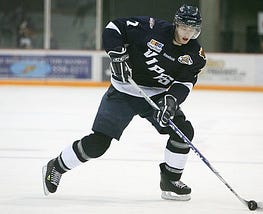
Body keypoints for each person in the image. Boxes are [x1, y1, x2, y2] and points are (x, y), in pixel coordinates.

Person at [42, 4, 206, 201]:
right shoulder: (151, 28)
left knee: (183, 132)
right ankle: (56, 167)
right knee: (98, 144)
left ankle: (170, 180)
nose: (187, 34)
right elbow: (114, 28)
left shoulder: (195, 55)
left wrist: (171, 101)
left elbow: (185, 82)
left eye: (192, 30)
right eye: (184, 28)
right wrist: (117, 55)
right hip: (123, 91)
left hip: (156, 96)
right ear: (176, 24)